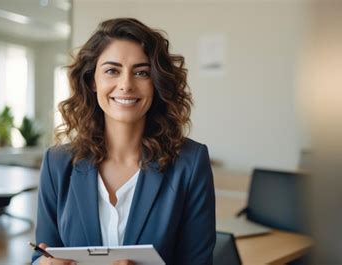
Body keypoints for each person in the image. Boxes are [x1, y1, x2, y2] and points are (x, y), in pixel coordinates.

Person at [32, 18, 216, 265]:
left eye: (141, 72)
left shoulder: (190, 162)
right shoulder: (57, 162)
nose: (126, 85)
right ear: (92, 81)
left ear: (156, 83)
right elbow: (41, 253)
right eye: (112, 71)